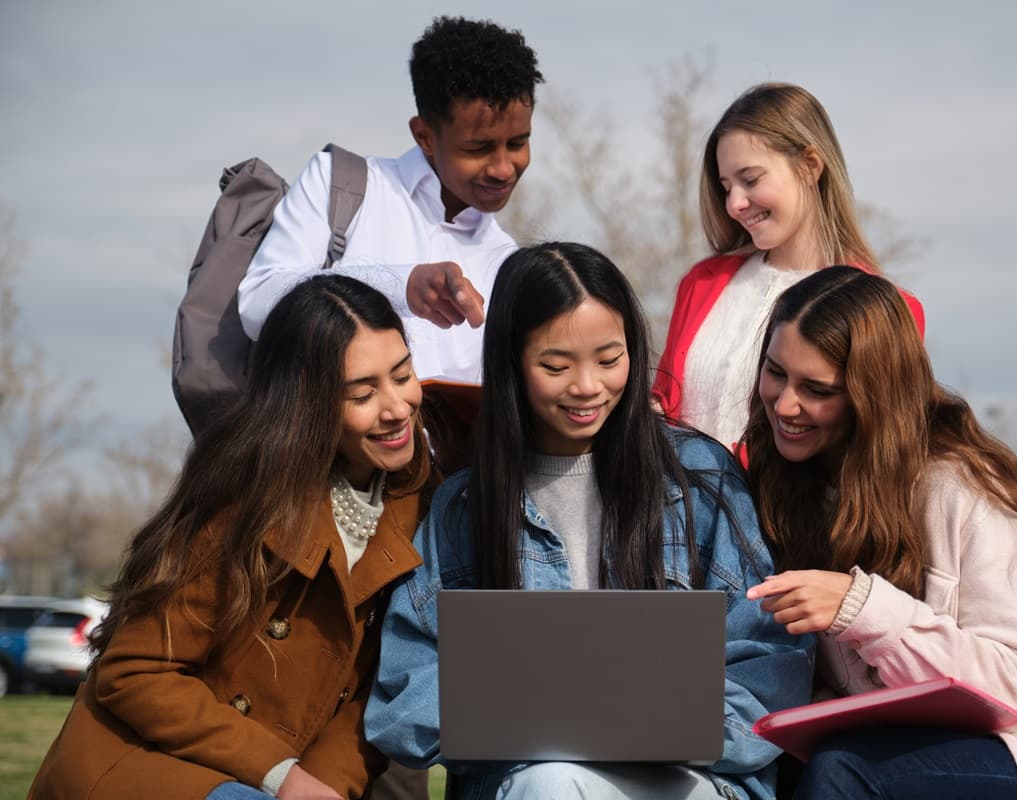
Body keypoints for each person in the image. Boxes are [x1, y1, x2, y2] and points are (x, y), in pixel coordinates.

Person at [364, 242, 816, 800]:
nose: (587, 387)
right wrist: (537, 721)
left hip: (691, 780)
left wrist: (671, 728)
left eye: (609, 360)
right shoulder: (465, 508)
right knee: (552, 781)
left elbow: (768, 661)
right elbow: (403, 700)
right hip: (533, 784)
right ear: (511, 362)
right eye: (556, 365)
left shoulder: (698, 476)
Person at [29, 276, 437, 800]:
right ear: (308, 403)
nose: (398, 407)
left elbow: (374, 691)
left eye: (402, 375)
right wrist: (282, 776)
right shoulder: (243, 500)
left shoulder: (425, 503)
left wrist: (325, 787)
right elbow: (135, 672)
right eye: (363, 392)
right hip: (152, 765)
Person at [742, 266, 1017, 799]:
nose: (783, 404)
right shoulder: (782, 481)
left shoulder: (960, 487)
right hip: (881, 742)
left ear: (871, 394)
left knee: (842, 773)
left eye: (816, 389)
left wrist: (863, 609)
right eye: (775, 373)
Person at [238, 16, 544, 386]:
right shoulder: (342, 185)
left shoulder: (508, 261)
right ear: (424, 136)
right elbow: (257, 303)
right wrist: (399, 286)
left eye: (517, 143)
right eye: (478, 148)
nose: (502, 168)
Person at [653, 83, 925, 449]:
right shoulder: (703, 282)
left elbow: (878, 453)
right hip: (677, 503)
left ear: (810, 165)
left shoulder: (887, 310)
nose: (734, 204)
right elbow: (666, 399)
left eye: (750, 180)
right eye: (726, 186)